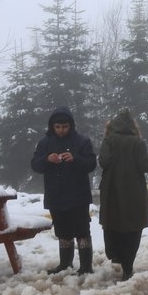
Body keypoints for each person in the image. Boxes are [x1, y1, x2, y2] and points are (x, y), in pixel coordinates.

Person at [30, 106, 97, 275]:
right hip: (55, 196)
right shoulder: (45, 143)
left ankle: (86, 266)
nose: (61, 130)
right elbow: (35, 165)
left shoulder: (82, 141)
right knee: (62, 231)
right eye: (57, 127)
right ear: (52, 126)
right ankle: (65, 264)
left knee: (82, 231)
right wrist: (47, 159)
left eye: (65, 127)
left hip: (78, 196)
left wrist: (75, 159)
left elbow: (91, 164)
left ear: (71, 125)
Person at [98, 109, 148, 282]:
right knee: (133, 227)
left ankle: (115, 254)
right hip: (134, 191)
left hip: (111, 190)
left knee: (112, 223)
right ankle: (128, 267)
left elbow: (103, 162)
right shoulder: (138, 142)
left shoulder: (109, 140)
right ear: (133, 126)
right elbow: (144, 165)